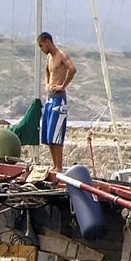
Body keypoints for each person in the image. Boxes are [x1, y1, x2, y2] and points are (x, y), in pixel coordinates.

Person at [36, 32, 76, 173]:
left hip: (59, 99)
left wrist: (63, 86)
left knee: (57, 133)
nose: (41, 49)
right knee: (49, 133)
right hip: (49, 98)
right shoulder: (49, 58)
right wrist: (46, 84)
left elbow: (72, 69)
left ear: (47, 42)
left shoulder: (61, 55)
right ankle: (54, 166)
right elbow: (47, 71)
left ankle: (59, 166)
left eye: (41, 45)